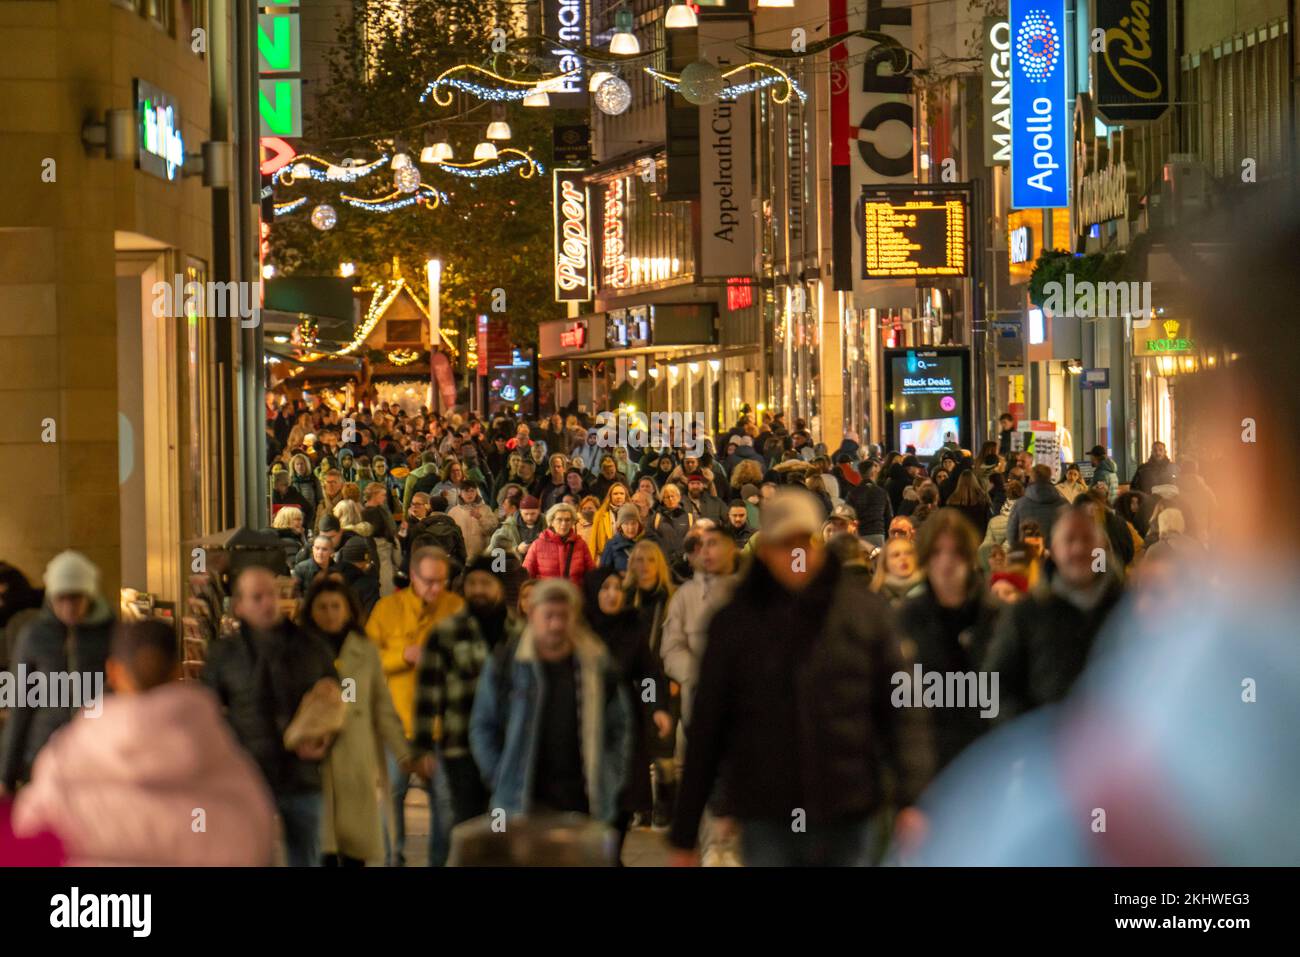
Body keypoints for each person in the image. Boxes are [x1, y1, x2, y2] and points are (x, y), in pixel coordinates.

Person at [668, 488, 933, 866]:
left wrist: (913, 796)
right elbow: (709, 724)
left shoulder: (862, 613)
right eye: (784, 544)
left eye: (803, 542)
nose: (795, 555)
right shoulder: (736, 623)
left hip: (848, 803)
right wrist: (686, 832)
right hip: (768, 808)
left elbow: (902, 708)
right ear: (764, 550)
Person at [12, 620, 276, 865]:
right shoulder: (223, 758)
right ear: (178, 670)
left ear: (113, 672)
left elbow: (30, 836)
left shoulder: (65, 758)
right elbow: (257, 838)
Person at [202, 566, 337, 867]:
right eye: (257, 597)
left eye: (272, 595)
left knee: (306, 856)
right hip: (249, 776)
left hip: (302, 776)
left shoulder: (310, 646)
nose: (267, 603)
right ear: (239, 606)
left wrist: (326, 738)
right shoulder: (224, 654)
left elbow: (337, 699)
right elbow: (208, 713)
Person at [468, 578, 631, 824]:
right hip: (520, 802)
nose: (556, 624)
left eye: (564, 616)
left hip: (584, 803)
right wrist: (500, 774)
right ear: (532, 614)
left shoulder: (596, 664)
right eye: (549, 615)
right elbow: (482, 725)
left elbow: (620, 726)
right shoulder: (506, 663)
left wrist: (609, 776)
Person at [365, 547, 464, 866]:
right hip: (397, 727)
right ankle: (392, 861)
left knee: (446, 805)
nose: (436, 588)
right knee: (391, 799)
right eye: (430, 581)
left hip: (442, 728)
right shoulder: (386, 609)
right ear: (413, 577)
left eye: (442, 581)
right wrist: (401, 657)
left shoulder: (457, 608)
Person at [982, 503, 1125, 721]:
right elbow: (996, 685)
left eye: (1086, 539)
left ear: (1101, 547)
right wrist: (1031, 731)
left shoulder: (1128, 609)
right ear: (1054, 550)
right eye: (1069, 540)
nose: (1078, 549)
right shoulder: (1028, 613)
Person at [299, 578, 408, 866]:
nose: (330, 613)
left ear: (348, 610)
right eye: (322, 607)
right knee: (320, 849)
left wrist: (403, 751)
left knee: (354, 848)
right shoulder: (298, 651)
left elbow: (382, 705)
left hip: (355, 757)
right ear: (311, 611)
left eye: (336, 606)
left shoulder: (365, 650)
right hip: (313, 758)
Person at [0, 552, 114, 796]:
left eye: (76, 598)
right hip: (43, 753)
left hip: (97, 756)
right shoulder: (33, 636)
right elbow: (20, 705)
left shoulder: (110, 632)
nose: (69, 607)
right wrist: (5, 775)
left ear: (90, 595)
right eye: (61, 599)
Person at [895, 510, 999, 778]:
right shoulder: (906, 618)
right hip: (928, 763)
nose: (946, 562)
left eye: (956, 553)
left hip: (988, 760)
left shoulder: (997, 617)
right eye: (937, 553)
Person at [582, 567, 671, 852]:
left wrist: (656, 706)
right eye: (605, 588)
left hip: (623, 721)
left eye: (617, 589)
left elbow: (648, 673)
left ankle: (611, 853)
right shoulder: (579, 628)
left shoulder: (632, 626)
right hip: (585, 720)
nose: (612, 594)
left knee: (623, 798)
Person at [660, 524, 738, 728]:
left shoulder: (748, 592)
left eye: (712, 544)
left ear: (730, 548)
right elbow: (671, 649)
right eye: (701, 545)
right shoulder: (685, 596)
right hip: (698, 706)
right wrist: (700, 673)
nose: (705, 551)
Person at [524, 502, 597, 585]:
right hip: (547, 596)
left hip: (574, 596)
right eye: (559, 519)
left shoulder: (580, 544)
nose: (564, 524)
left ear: (572, 522)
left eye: (567, 520)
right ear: (551, 522)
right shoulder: (537, 545)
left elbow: (592, 574)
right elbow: (526, 576)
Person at [1006, 464, 1068, 546]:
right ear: (1049, 477)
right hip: (1057, 554)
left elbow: (1011, 534)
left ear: (1032, 478)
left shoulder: (1020, 504)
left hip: (1029, 554)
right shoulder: (1064, 504)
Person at [448, 479, 499, 559]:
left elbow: (493, 530)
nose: (470, 494)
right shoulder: (453, 512)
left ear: (476, 492)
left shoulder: (485, 509)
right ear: (460, 493)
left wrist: (480, 518)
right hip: (461, 557)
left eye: (472, 491)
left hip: (481, 556)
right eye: (466, 491)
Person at [649, 482, 693, 570]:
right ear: (663, 500)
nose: (670, 499)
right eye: (667, 497)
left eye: (673, 496)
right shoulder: (656, 517)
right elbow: (650, 539)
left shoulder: (689, 517)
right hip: (662, 564)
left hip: (684, 566)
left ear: (679, 497)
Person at [488, 493, 545, 562]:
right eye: (526, 514)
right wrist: (517, 549)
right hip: (517, 567)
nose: (529, 517)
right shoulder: (509, 526)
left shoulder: (547, 524)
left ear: (538, 511)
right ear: (520, 511)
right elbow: (494, 549)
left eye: (533, 513)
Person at [871, 536, 923, 605]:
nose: (903, 558)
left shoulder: (931, 590)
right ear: (885, 563)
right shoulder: (875, 596)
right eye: (896, 555)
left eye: (908, 553)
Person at [945, 470, 992, 539]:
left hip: (959, 538)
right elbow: (988, 519)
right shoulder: (983, 498)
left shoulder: (952, 500)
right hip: (979, 537)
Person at [590, 482, 631, 559]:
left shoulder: (631, 514)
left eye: (621, 493)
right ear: (610, 496)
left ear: (625, 496)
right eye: (615, 494)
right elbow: (593, 541)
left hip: (626, 557)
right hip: (605, 556)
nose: (619, 496)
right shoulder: (600, 514)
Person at [599, 503, 644, 573]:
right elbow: (603, 574)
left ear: (639, 524)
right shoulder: (611, 545)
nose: (630, 528)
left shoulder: (646, 543)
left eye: (634, 523)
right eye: (626, 523)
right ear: (620, 526)